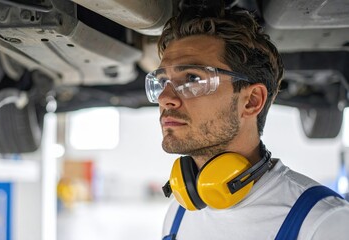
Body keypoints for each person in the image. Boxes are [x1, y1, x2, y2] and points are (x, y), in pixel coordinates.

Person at [144, 1, 349, 239]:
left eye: (192, 78)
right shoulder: (178, 214)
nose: (165, 98)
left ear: (252, 101)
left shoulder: (324, 223)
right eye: (161, 82)